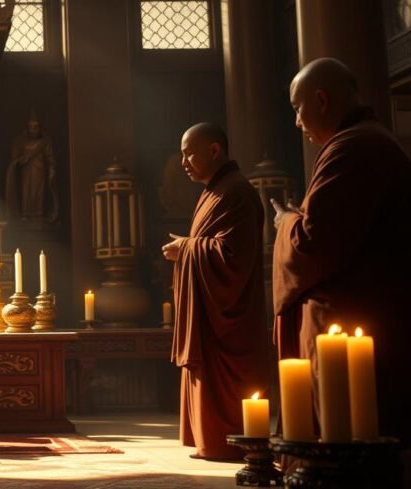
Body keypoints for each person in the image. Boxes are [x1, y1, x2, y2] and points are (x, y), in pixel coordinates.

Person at [273, 58, 411, 479]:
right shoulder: (363, 142)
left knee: (347, 451)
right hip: (365, 316)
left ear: (321, 99)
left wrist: (284, 223)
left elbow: (313, 244)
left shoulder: (354, 148)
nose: (297, 121)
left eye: (298, 109)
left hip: (355, 321)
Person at [162, 122, 270, 460]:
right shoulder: (215, 191)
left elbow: (234, 256)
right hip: (210, 313)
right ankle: (213, 439)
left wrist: (188, 249)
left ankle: (228, 441)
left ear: (214, 150)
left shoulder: (235, 192)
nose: (183, 163)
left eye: (189, 153)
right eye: (181, 155)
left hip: (229, 319)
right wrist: (191, 248)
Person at [4, 111, 58, 222]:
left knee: (39, 193)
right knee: (26, 192)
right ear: (27, 128)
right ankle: (25, 214)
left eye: (36, 127)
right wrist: (21, 160)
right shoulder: (20, 141)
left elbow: (50, 157)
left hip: (40, 171)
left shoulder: (45, 141)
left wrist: (52, 168)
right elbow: (15, 159)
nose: (33, 130)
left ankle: (39, 214)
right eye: (31, 127)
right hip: (26, 171)